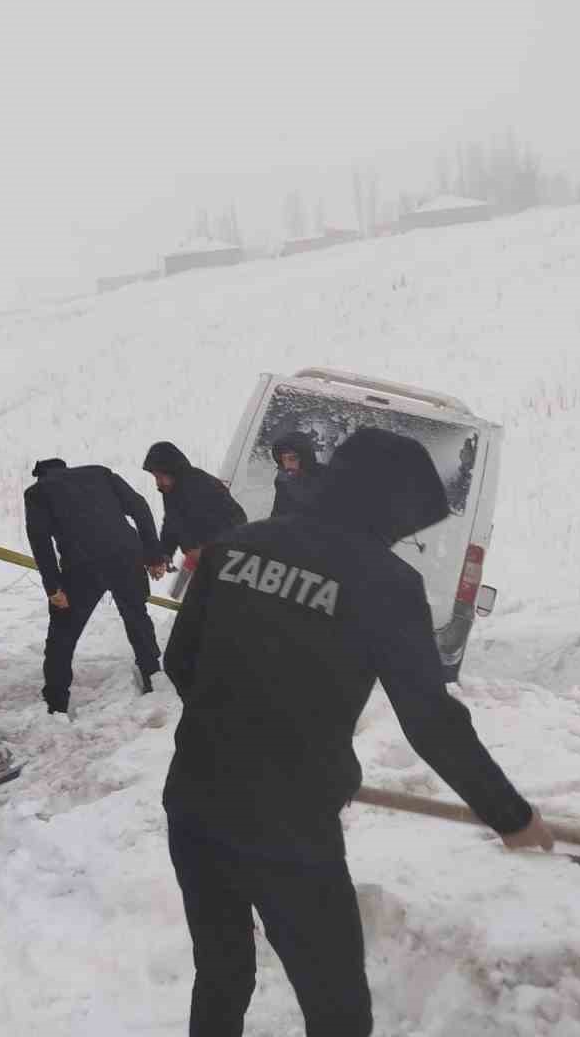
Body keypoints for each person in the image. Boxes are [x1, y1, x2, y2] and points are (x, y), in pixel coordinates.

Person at [162, 428, 553, 1036]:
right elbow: (430, 722)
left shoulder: (234, 548)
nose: (406, 535)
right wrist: (510, 815)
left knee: (221, 971)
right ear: (389, 504)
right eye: (410, 520)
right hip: (286, 825)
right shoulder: (386, 584)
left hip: (194, 800)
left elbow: (180, 662)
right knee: (338, 1009)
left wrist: (239, 729)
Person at [23, 457, 169, 710]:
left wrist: (52, 587)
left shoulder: (38, 492)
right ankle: (153, 677)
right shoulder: (100, 474)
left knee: (63, 634)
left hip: (82, 567)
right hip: (127, 556)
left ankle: (56, 702)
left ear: (41, 475)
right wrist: (154, 555)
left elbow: (40, 541)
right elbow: (140, 507)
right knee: (137, 618)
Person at [141, 441, 247, 577]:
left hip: (225, 560)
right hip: (198, 560)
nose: (158, 483)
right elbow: (171, 523)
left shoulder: (200, 485)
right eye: (156, 478)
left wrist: (207, 549)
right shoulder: (171, 491)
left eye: (160, 477)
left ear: (172, 470)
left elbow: (237, 518)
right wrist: (165, 553)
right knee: (182, 593)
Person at [269, 429, 326, 519]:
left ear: (304, 458)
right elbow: (277, 516)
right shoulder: (283, 481)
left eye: (292, 458)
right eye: (284, 459)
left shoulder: (327, 478)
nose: (287, 465)